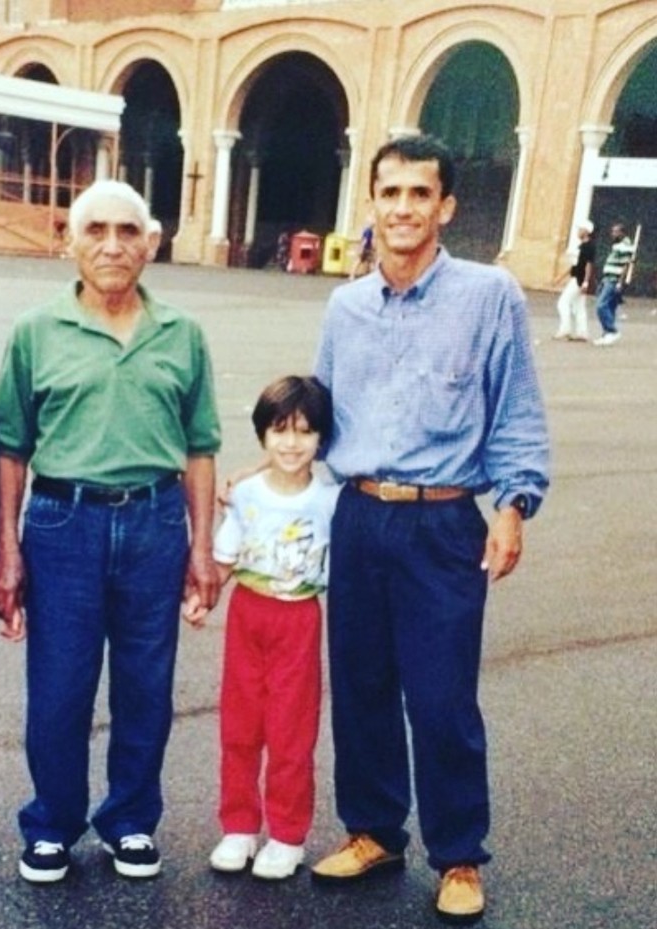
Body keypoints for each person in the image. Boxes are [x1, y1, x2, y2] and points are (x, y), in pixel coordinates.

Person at [309, 135, 549, 925]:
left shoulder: (488, 296)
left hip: (445, 521)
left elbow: (515, 408)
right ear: (370, 204)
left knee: (442, 697)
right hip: (360, 513)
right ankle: (375, 829)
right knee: (362, 685)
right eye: (391, 193)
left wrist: (513, 504)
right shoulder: (346, 307)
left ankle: (458, 854)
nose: (404, 208)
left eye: (421, 194)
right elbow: (319, 415)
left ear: (444, 206)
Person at [0, 179, 222, 884]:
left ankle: (129, 820)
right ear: (71, 241)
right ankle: (53, 822)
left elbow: (200, 446)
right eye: (97, 231)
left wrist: (202, 545)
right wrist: (7, 547)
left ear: (151, 242)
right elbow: (10, 446)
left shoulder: (182, 335)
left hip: (154, 522)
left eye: (128, 231)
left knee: (146, 685)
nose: (113, 245)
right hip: (64, 523)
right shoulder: (36, 332)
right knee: (60, 685)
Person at [184, 376, 339, 881]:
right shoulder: (246, 494)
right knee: (240, 725)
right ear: (262, 436)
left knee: (292, 731)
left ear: (321, 438)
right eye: (279, 431)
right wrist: (202, 598)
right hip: (250, 615)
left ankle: (287, 834)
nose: (291, 444)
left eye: (304, 432)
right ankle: (239, 826)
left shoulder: (331, 500)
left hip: (299, 617)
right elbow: (225, 558)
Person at [593, 222, 635, 347]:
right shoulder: (618, 245)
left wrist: (620, 282)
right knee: (610, 307)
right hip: (608, 278)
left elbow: (626, 266)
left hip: (613, 280)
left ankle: (612, 331)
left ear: (622, 233)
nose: (613, 234)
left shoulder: (625, 246)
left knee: (601, 305)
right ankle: (607, 333)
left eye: (616, 232)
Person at [552, 220, 595, 341]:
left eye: (580, 229)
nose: (578, 232)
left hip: (579, 280)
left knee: (563, 302)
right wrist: (561, 277)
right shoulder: (582, 246)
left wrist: (586, 282)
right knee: (579, 305)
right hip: (578, 278)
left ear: (586, 231)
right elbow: (575, 265)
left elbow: (588, 265)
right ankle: (582, 332)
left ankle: (565, 328)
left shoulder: (588, 247)